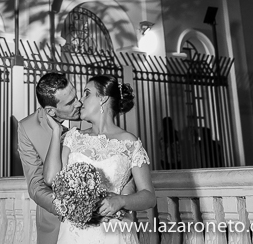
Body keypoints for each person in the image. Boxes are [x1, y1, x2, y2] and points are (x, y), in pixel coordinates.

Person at [43, 74, 156, 243]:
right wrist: (56, 131)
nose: (80, 100)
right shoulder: (73, 138)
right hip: (74, 234)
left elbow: (149, 197)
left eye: (86, 93)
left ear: (103, 99)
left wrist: (121, 200)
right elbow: (51, 179)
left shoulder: (130, 143)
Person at [18, 72, 82, 244]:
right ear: (51, 111)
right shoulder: (27, 128)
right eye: (70, 103)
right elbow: (36, 186)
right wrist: (68, 207)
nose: (79, 103)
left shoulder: (91, 114)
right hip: (55, 224)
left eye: (76, 95)